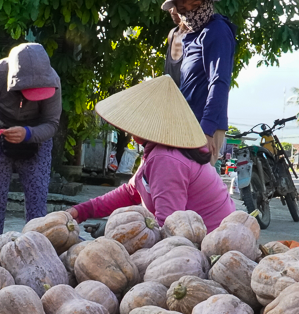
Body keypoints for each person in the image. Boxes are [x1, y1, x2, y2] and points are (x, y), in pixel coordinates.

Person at [66, 75, 234, 230]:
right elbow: (131, 192)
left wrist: (116, 232)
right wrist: (83, 211)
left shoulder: (166, 159)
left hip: (210, 243)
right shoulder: (158, 151)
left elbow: (168, 229)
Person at [0, 43, 61, 243]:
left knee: (37, 201)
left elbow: (52, 123)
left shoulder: (53, 82)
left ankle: (36, 246)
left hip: (37, 138)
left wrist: (28, 133)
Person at [161, 0, 237, 166]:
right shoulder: (191, 35)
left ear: (203, 2)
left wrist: (206, 130)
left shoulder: (216, 31)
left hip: (203, 128)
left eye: (190, 6)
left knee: (196, 183)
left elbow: (219, 82)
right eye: (181, 8)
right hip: (185, 124)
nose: (185, 12)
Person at [163, 0, 188, 86]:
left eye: (176, 4)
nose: (173, 10)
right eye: (170, 4)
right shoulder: (171, 35)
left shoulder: (202, 36)